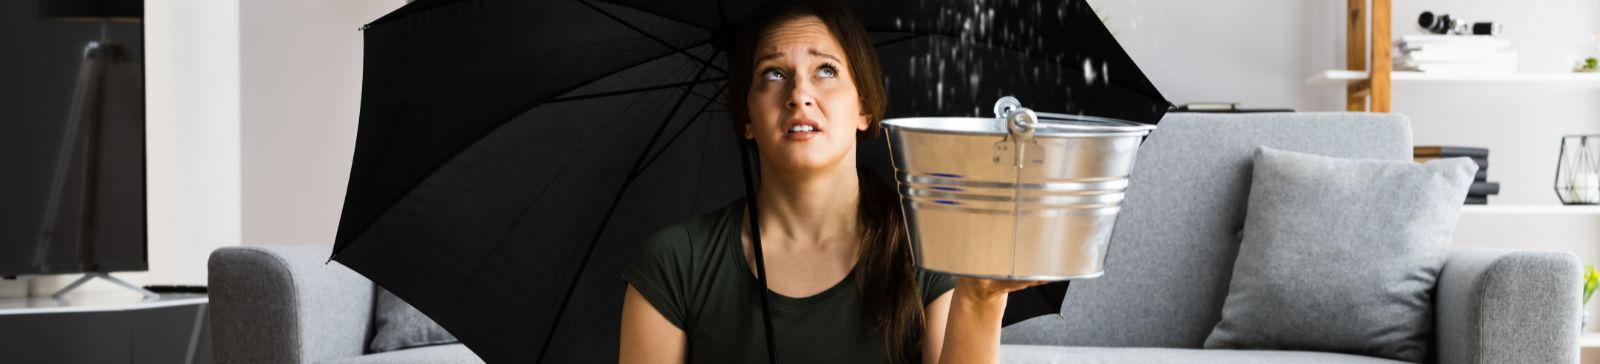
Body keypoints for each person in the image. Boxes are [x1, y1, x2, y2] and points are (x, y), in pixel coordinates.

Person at [619, 1, 1044, 363]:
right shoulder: (674, 264)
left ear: (864, 108)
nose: (799, 94)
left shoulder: (930, 250)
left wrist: (981, 300)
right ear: (747, 118)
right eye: (772, 73)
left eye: (825, 70)